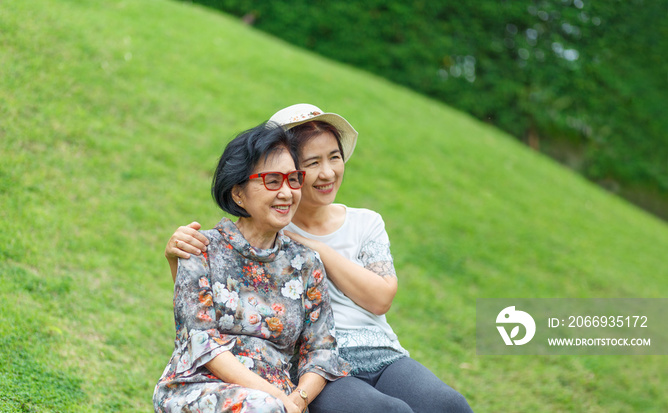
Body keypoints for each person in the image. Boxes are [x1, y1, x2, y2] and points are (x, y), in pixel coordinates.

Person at [164, 104, 473, 413]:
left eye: (334, 157)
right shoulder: (235, 233)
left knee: (449, 406)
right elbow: (202, 322)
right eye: (310, 163)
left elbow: (368, 309)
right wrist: (175, 257)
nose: (326, 173)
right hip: (277, 382)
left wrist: (315, 248)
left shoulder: (314, 250)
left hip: (365, 358)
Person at [153, 121, 349, 413]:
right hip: (199, 387)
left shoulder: (306, 263)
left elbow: (321, 350)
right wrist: (279, 401)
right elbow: (202, 343)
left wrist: (298, 400)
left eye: (293, 179)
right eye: (272, 180)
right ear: (238, 193)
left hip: (278, 401)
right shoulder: (200, 249)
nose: (286, 192)